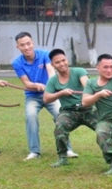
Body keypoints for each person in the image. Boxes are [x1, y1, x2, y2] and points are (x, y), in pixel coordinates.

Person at [43, 48, 112, 168]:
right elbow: (46, 98)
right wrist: (61, 93)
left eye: (63, 60)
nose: (62, 64)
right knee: (59, 126)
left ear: (67, 59)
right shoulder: (53, 81)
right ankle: (62, 157)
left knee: (105, 128)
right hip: (69, 112)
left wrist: (90, 94)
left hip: (88, 109)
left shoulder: (79, 71)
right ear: (52, 65)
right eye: (57, 62)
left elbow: (87, 85)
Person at [12, 31, 72, 160]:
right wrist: (35, 85)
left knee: (60, 116)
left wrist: (49, 87)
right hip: (32, 96)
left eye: (28, 43)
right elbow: (26, 83)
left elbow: (51, 72)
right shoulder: (17, 63)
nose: (26, 47)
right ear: (18, 47)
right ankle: (34, 152)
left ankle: (67, 149)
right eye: (22, 45)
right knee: (31, 116)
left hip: (50, 95)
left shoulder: (44, 55)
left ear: (33, 43)